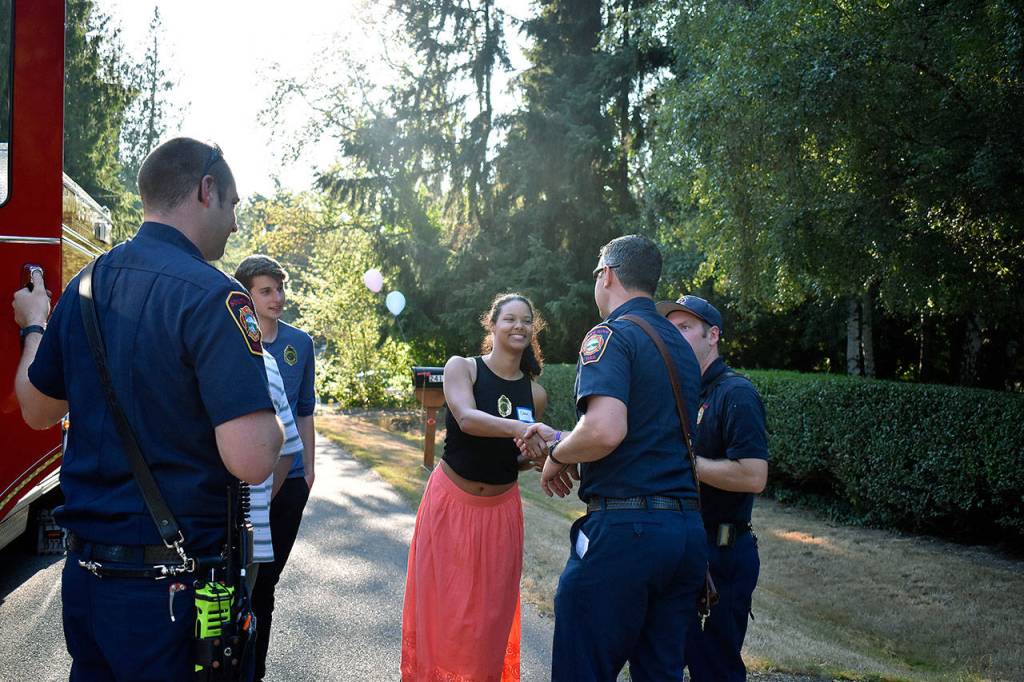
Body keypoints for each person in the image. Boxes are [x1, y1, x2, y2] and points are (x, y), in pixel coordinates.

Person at [11, 137, 284, 680]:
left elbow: (37, 411)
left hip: (86, 579)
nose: (234, 224)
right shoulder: (217, 297)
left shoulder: (86, 286)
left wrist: (34, 327)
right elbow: (253, 459)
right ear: (207, 189)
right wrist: (274, 424)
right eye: (232, 205)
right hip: (174, 596)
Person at [519, 235, 708, 681]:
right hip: (684, 534)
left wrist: (558, 454)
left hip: (628, 532)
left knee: (582, 668)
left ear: (607, 275)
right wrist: (567, 439)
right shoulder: (679, 344)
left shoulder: (610, 335)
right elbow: (646, 432)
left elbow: (605, 430)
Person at [401, 293, 549, 681]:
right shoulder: (463, 368)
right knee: (445, 612)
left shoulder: (535, 394)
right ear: (492, 324)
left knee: (488, 621)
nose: (519, 326)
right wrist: (522, 429)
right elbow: (467, 419)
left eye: (526, 320)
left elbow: (514, 458)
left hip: (501, 515)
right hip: (450, 507)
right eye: (510, 319)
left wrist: (535, 458)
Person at [657, 295, 768, 682]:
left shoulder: (735, 393)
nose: (675, 335)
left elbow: (753, 475)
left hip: (723, 555)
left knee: (714, 669)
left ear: (713, 335)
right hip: (682, 546)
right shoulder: (682, 393)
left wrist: (688, 464)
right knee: (662, 659)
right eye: (671, 329)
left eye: (685, 328)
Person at [233, 254, 317, 681]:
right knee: (236, 583)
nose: (277, 298)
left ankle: (255, 671)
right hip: (244, 484)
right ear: (245, 295)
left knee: (266, 583)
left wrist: (309, 470)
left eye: (280, 289)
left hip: (290, 480)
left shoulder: (300, 344)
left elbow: (304, 411)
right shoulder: (232, 341)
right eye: (266, 290)